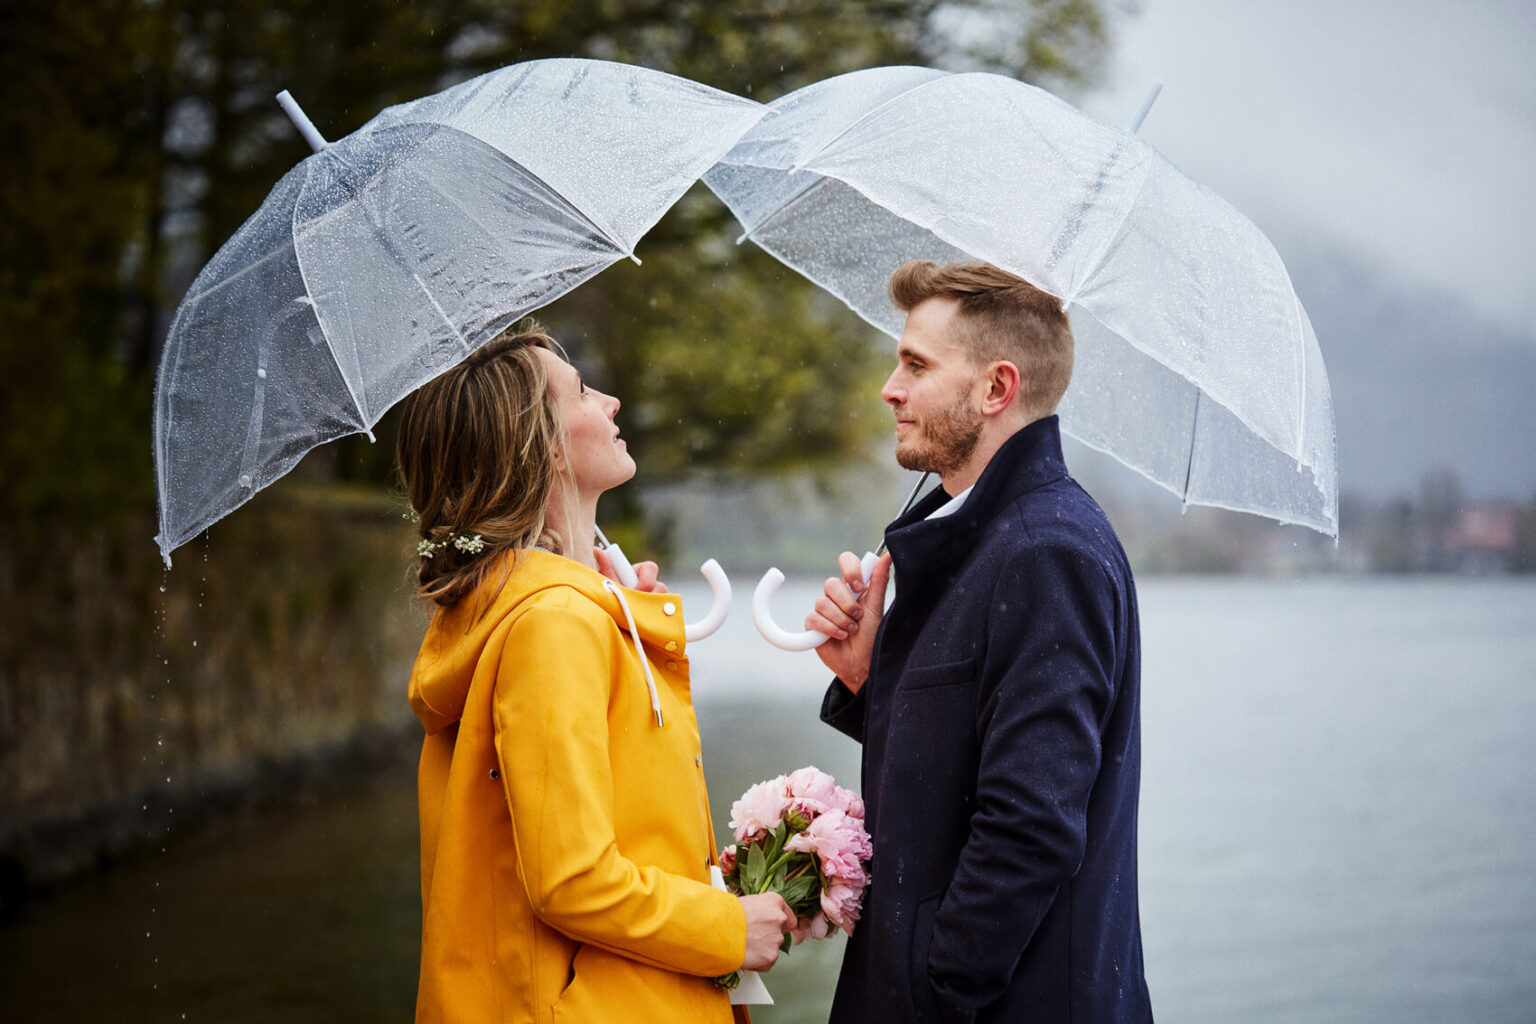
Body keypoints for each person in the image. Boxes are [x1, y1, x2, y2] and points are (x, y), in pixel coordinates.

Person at [396, 321, 794, 1024]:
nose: (610, 401)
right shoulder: (555, 624)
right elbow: (572, 878)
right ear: (545, 447)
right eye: (581, 391)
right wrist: (731, 928)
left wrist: (617, 616)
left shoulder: (554, 613)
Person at [806, 261, 1152, 1023]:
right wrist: (872, 679)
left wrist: (936, 987)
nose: (889, 389)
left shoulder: (1044, 553)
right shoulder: (988, 541)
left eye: (916, 365)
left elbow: (1031, 826)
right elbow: (972, 763)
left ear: (997, 388)